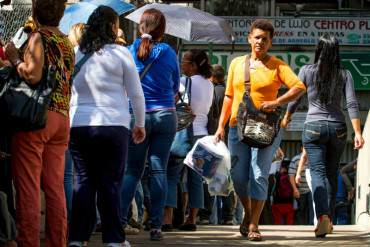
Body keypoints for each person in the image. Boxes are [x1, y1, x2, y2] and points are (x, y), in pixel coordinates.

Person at [214, 19, 306, 241]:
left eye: (265, 39)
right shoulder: (236, 63)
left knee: (258, 173)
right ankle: (247, 211)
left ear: (270, 42)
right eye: (257, 37)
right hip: (237, 127)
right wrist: (220, 125)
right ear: (249, 38)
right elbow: (228, 96)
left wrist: (277, 102)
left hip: (266, 128)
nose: (260, 42)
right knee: (237, 176)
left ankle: (254, 223)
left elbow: (299, 87)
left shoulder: (277, 65)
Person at [67, 6, 145, 247]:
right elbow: (136, 94)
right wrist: (140, 123)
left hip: (79, 125)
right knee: (110, 182)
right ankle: (113, 239)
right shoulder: (121, 54)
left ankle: (78, 238)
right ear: (113, 27)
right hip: (113, 125)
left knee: (83, 182)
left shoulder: (76, 53)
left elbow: (68, 92)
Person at [4, 0, 74, 245]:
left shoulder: (38, 37)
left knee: (28, 186)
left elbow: (33, 74)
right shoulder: (66, 41)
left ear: (35, 10)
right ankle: (58, 241)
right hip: (62, 118)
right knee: (55, 187)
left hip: (37, 117)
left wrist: (14, 58)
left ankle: (28, 242)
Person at [285, 34, 364, 237]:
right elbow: (352, 103)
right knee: (331, 173)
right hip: (338, 127)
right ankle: (327, 219)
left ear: (318, 49)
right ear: (337, 51)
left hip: (313, 127)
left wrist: (286, 117)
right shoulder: (344, 74)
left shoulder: (307, 71)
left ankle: (322, 217)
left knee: (318, 172)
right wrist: (357, 133)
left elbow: (295, 98)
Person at [120, 8, 180, 241]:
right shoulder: (168, 52)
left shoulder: (128, 51)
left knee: (132, 171)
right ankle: (156, 227)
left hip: (137, 117)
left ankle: (120, 221)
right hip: (166, 115)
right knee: (159, 171)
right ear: (162, 30)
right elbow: (175, 86)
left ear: (140, 26)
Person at [163, 49, 213, 232]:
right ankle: (192, 218)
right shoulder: (210, 84)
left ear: (193, 66)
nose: (181, 64)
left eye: (184, 61)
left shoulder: (185, 82)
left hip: (183, 133)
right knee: (196, 179)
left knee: (171, 174)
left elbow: (171, 101)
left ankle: (167, 219)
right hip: (202, 135)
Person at [288, 148, 314, 225]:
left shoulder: (313, 158)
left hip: (311, 189)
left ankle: (312, 225)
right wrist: (295, 189)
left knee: (312, 209)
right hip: (300, 189)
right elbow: (291, 175)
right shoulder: (296, 159)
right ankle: (302, 226)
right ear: (302, 148)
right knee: (301, 210)